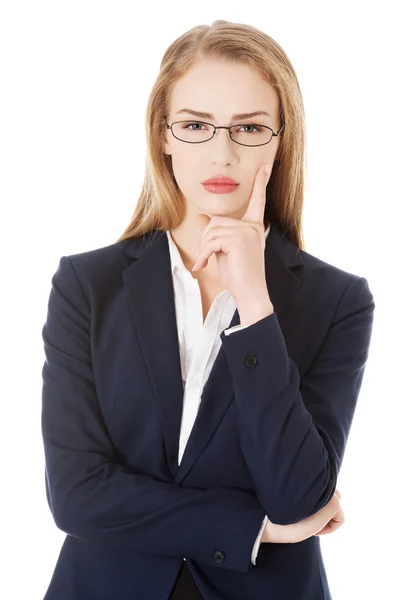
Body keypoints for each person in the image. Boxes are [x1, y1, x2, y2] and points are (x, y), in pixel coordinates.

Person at [40, 19, 375, 600]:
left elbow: (300, 495)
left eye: (249, 128)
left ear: (280, 138)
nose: (221, 152)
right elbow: (76, 493)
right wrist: (253, 529)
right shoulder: (88, 285)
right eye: (195, 125)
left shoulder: (337, 300)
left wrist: (255, 304)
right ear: (163, 136)